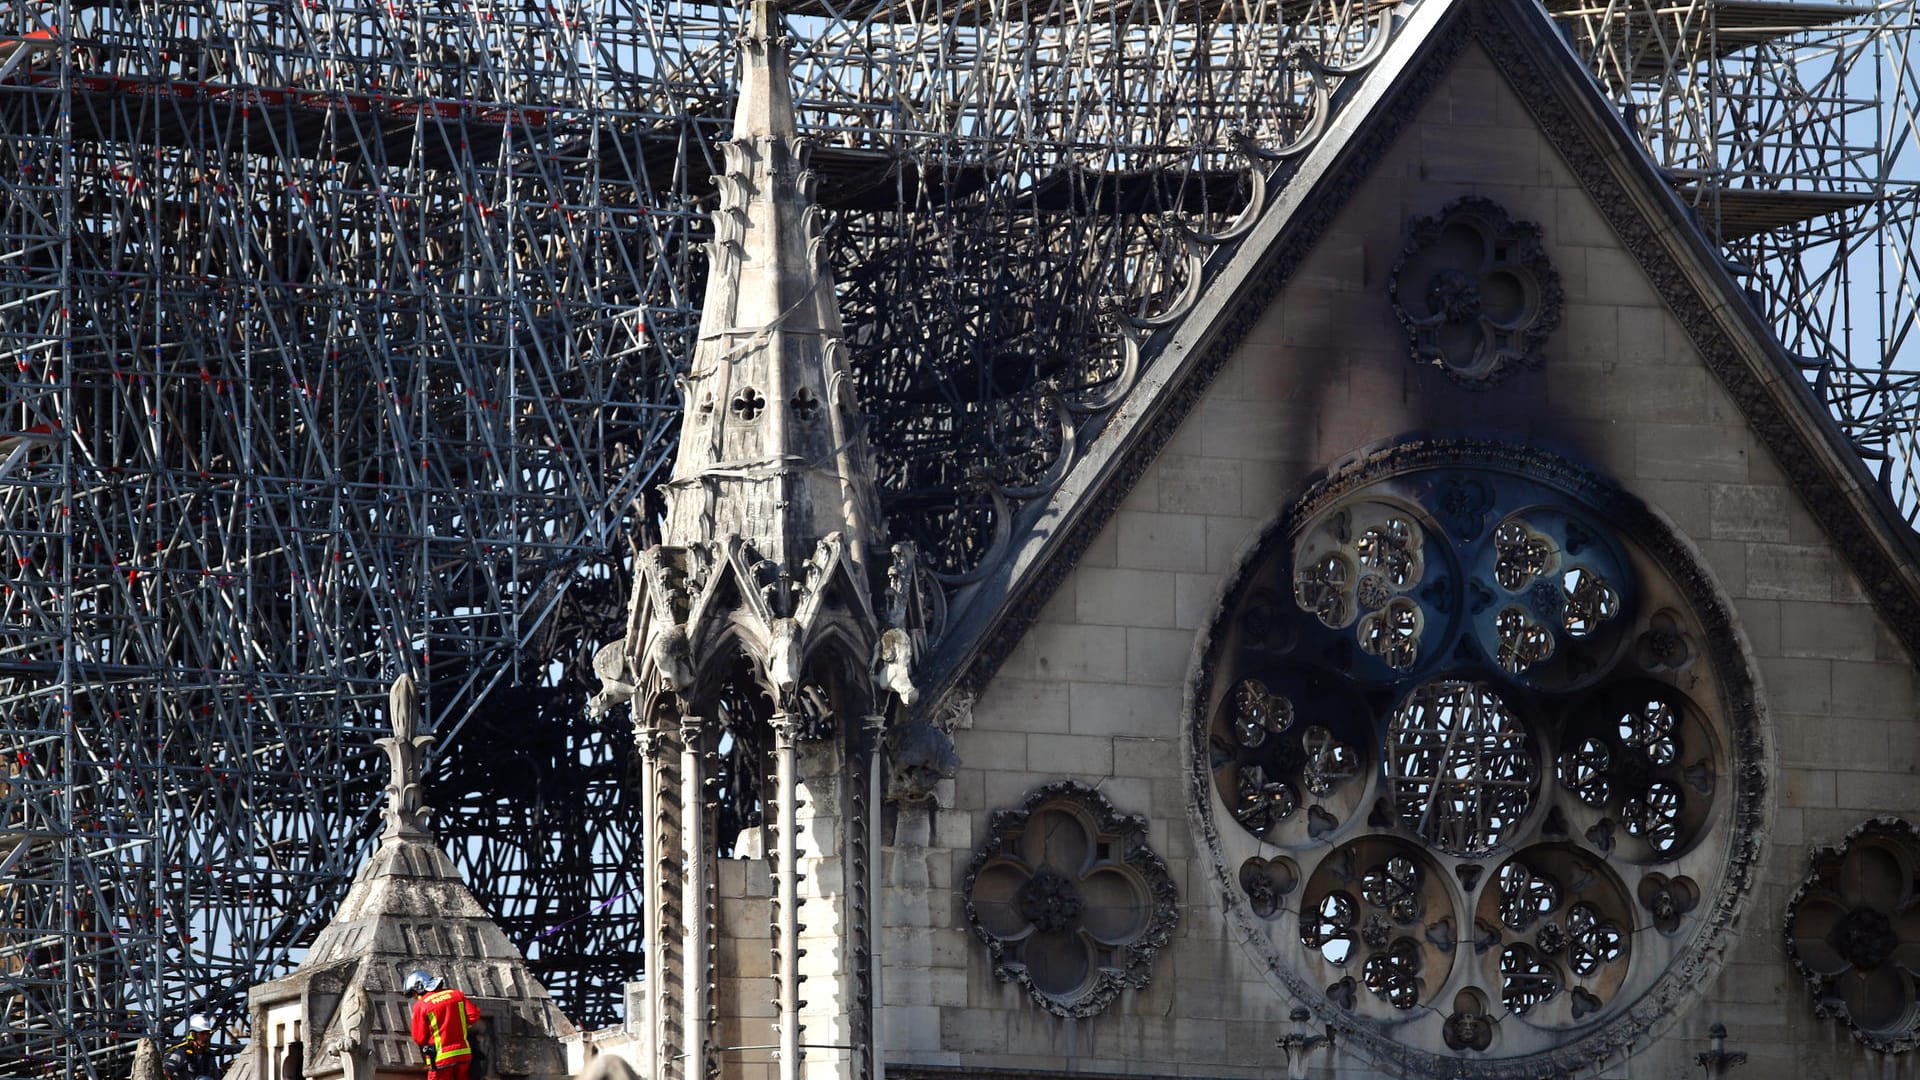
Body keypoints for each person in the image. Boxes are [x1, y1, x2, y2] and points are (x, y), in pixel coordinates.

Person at [405, 969, 482, 1080]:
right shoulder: (456, 994)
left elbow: (420, 1038)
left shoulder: (421, 1005)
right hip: (463, 1054)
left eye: (413, 993)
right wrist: (459, 1027)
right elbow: (473, 1015)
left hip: (440, 1059)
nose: (415, 997)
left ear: (419, 988)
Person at [162, 1014, 223, 1080]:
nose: (206, 1037)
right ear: (194, 1035)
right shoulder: (182, 1054)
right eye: (202, 1033)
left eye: (207, 1033)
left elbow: (217, 1077)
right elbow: (165, 1072)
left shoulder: (209, 1057)